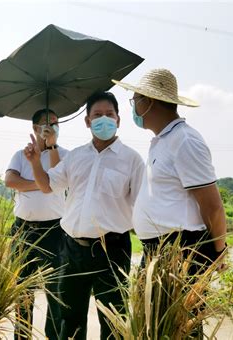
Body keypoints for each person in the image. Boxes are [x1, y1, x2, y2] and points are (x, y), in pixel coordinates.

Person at [113, 68, 227, 337]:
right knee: (153, 328)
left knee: (179, 329)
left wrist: (219, 251)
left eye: (135, 99)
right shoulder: (163, 141)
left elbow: (212, 205)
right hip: (158, 250)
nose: (134, 106)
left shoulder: (184, 140)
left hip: (181, 252)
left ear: (149, 102)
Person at [24, 91, 145, 340]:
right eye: (97, 115)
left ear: (119, 120)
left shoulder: (132, 160)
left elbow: (141, 206)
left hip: (112, 251)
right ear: (87, 121)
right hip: (72, 250)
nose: (104, 120)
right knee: (68, 319)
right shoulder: (76, 156)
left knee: (113, 320)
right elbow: (48, 185)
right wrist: (36, 161)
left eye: (109, 115)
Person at [5, 108, 68, 339]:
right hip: (24, 229)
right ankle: (22, 336)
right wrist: (42, 184)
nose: (51, 127)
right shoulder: (22, 155)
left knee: (56, 292)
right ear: (34, 129)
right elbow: (11, 181)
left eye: (55, 122)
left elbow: (58, 180)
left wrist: (51, 148)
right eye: (45, 123)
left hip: (55, 230)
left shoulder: (65, 154)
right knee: (22, 291)